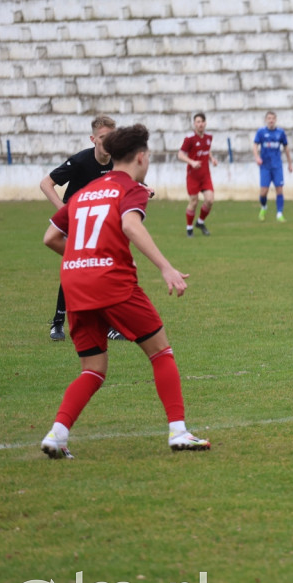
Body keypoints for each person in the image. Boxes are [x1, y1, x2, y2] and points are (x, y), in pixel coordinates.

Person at [39, 124, 210, 459]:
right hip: (112, 283)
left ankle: (56, 435)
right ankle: (178, 432)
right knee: (161, 352)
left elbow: (50, 238)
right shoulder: (132, 188)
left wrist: (83, 260)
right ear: (141, 157)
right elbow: (131, 225)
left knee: (93, 368)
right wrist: (166, 267)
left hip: (74, 284)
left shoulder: (85, 192)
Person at [40, 115, 130, 343]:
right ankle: (59, 322)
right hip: (75, 225)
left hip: (98, 226)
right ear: (93, 139)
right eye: (103, 138)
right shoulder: (80, 161)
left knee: (94, 269)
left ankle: (104, 324)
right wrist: (64, 212)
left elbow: (125, 183)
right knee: (80, 267)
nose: (108, 142)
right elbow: (46, 183)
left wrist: (142, 189)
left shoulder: (117, 162)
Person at [177, 112, 218, 237]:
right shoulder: (189, 138)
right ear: (194, 124)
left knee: (210, 200)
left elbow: (207, 149)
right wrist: (192, 162)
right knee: (194, 202)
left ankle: (200, 222)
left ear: (205, 123)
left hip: (205, 175)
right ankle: (189, 228)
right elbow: (180, 154)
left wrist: (212, 158)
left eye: (202, 121)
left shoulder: (209, 137)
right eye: (198, 122)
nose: (200, 124)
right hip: (193, 176)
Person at [252, 111, 292, 222]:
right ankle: (264, 207)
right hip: (265, 166)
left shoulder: (280, 132)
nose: (271, 120)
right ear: (266, 120)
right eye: (269, 118)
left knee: (279, 189)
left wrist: (290, 163)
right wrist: (257, 158)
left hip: (277, 166)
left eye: (273, 118)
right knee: (263, 192)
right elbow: (255, 146)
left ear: (276, 120)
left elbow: (286, 148)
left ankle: (279, 213)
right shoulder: (261, 132)